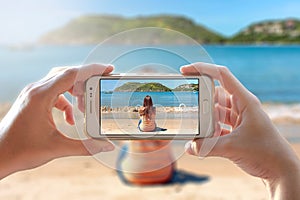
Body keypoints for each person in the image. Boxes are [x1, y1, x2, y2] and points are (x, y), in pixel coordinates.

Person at [0, 62, 299, 199]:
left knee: (144, 136)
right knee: (159, 136)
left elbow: (138, 125)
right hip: (158, 172)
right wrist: (283, 173)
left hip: (131, 171)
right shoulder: (154, 116)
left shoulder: (139, 116)